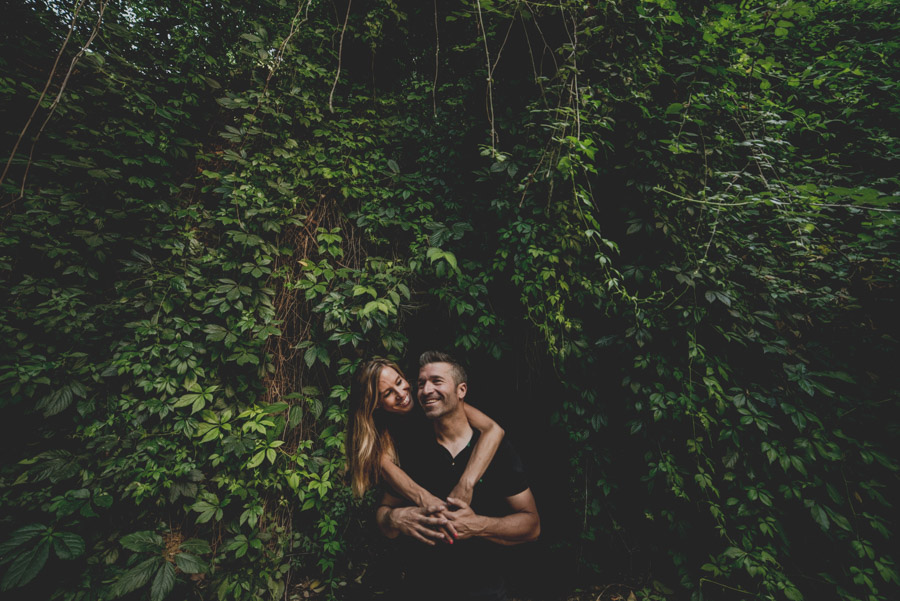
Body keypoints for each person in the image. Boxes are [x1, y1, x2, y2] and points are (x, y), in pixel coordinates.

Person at [375, 351, 540, 601]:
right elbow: (383, 519)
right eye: (421, 383)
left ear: (461, 390)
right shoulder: (410, 447)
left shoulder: (496, 449)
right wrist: (395, 518)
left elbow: (532, 526)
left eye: (437, 381)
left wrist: (478, 526)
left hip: (485, 593)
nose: (426, 389)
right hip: (420, 591)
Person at [346, 357, 505, 526]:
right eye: (388, 393)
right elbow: (384, 466)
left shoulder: (428, 397)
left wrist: (466, 484)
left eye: (399, 382)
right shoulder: (379, 429)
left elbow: (493, 429)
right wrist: (427, 500)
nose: (401, 394)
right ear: (376, 404)